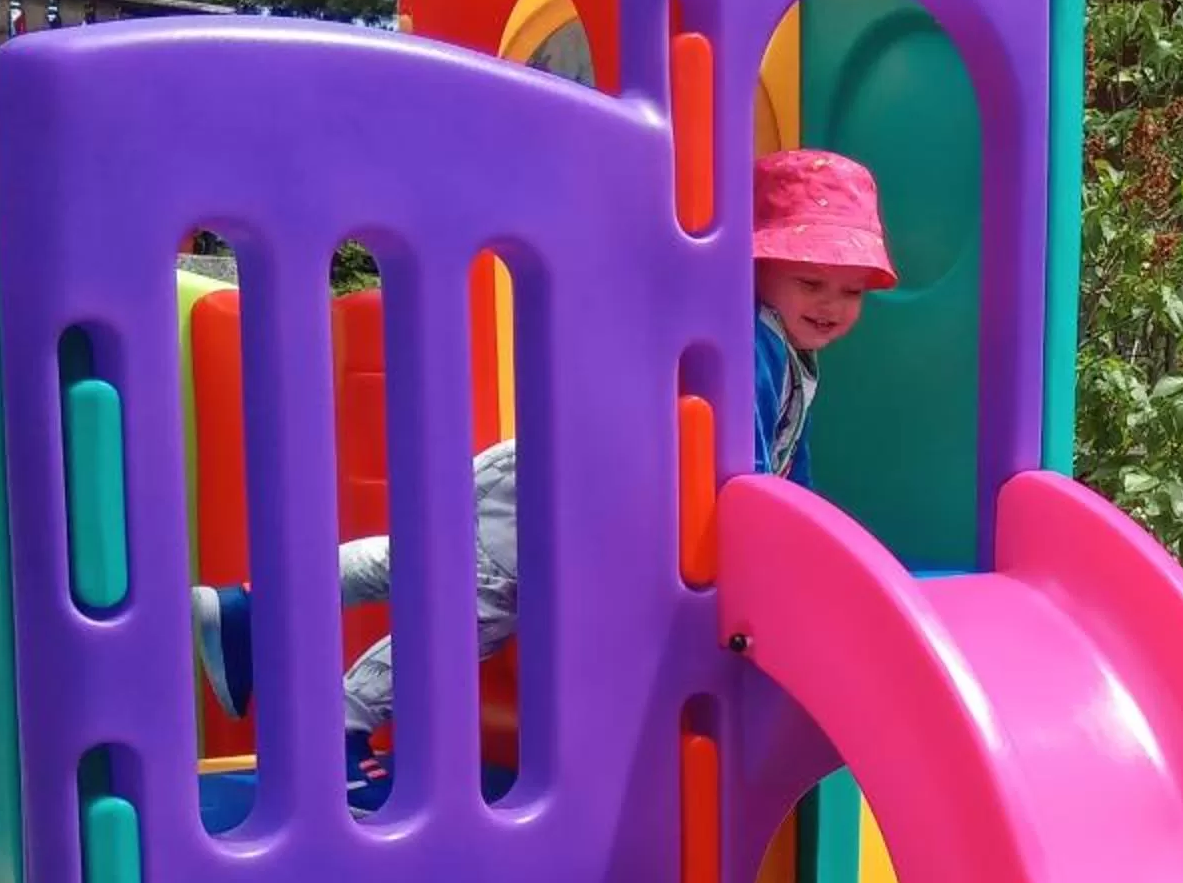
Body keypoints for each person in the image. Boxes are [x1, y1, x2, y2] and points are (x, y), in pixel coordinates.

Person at [191, 147, 899, 786]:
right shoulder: (753, 341)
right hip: (566, 498)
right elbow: (744, 472)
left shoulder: (785, 349)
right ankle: (336, 724)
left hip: (550, 474)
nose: (833, 307)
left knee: (426, 565)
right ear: (755, 266)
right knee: (470, 611)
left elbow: (785, 469)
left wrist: (808, 540)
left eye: (852, 291)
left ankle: (252, 605)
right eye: (812, 281)